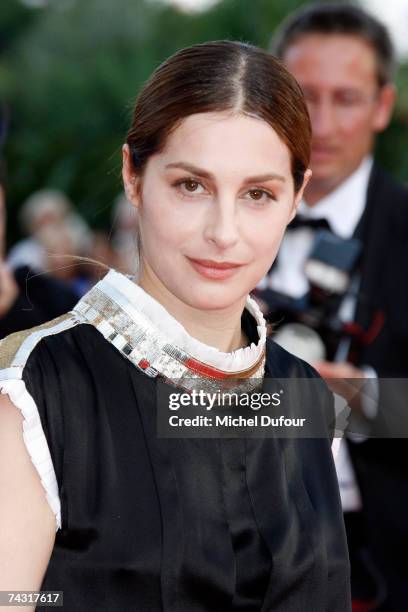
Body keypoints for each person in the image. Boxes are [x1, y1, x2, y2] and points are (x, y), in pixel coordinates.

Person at [0, 41, 350, 611]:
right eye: (192, 185)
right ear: (133, 176)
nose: (224, 231)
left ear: (296, 198)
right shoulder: (32, 397)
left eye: (259, 194)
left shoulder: (305, 394)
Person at [258, 4, 408, 610]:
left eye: (345, 99)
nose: (320, 123)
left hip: (381, 559)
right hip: (226, 548)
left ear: (381, 106)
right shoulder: (209, 219)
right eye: (303, 96)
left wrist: (364, 399)